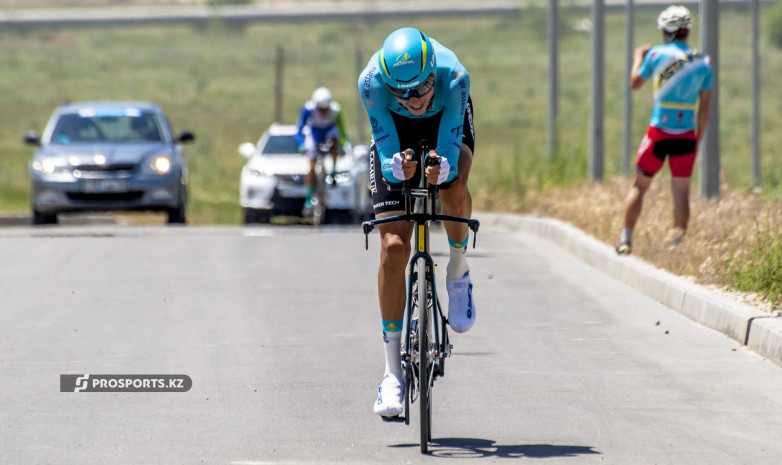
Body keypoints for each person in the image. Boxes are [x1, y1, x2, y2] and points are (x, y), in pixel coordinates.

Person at [357, 27, 476, 418]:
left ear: (431, 73)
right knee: (393, 248)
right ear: (387, 83)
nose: (412, 99)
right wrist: (399, 168)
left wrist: (440, 168)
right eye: (401, 91)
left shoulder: (453, 77)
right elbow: (388, 151)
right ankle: (392, 373)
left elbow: (450, 153)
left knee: (453, 184)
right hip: (394, 131)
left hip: (447, 119)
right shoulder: (372, 84)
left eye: (420, 87)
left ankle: (458, 272)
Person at [616, 5, 713, 255]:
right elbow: (704, 108)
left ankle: (626, 240)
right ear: (686, 31)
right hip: (686, 133)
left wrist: (638, 56)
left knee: (639, 186)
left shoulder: (656, 54)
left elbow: (635, 83)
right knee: (681, 192)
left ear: (666, 32)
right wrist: (697, 137)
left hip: (658, 131)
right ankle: (678, 246)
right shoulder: (704, 62)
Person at [295, 87, 349, 215]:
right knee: (312, 166)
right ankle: (309, 198)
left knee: (334, 140)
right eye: (321, 109)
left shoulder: (336, 110)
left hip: (329, 132)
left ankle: (334, 171)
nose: (323, 113)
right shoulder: (308, 109)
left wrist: (341, 146)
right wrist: (302, 145)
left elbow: (342, 131)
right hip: (314, 134)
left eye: (326, 109)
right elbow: (299, 129)